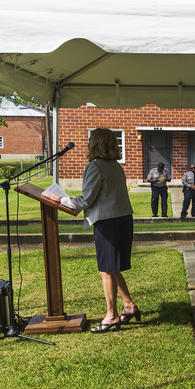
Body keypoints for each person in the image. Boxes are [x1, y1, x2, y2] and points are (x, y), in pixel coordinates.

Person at [46, 128, 139, 334]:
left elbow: (86, 200)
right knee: (112, 267)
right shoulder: (115, 166)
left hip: (108, 223)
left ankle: (111, 316)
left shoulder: (95, 167)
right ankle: (129, 305)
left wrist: (60, 199)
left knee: (106, 269)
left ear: (94, 144)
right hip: (122, 219)